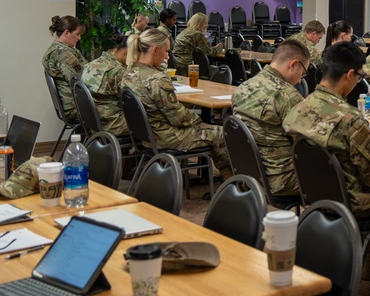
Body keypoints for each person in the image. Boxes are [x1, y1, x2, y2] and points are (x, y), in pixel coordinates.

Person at [283, 42, 370, 220]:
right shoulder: (351, 120)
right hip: (350, 202)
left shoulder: (297, 108)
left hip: (312, 194)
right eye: (358, 76)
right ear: (350, 74)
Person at [122, 28, 231, 178]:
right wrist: (196, 119)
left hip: (145, 135)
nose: (167, 56)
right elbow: (177, 117)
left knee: (208, 129)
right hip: (165, 137)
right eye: (166, 51)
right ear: (155, 50)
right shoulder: (157, 79)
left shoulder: (128, 73)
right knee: (220, 133)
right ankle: (233, 184)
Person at [231, 39, 309, 196]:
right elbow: (307, 145)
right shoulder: (287, 95)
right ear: (293, 65)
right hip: (281, 179)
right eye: (303, 72)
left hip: (249, 174)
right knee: (342, 179)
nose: (301, 79)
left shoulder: (243, 87)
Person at [81, 32, 130, 137]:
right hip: (113, 124)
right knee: (154, 121)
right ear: (127, 52)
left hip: (94, 122)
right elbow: (131, 103)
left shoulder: (91, 64)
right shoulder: (118, 71)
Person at [42, 15, 87, 122]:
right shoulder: (64, 54)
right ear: (66, 33)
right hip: (76, 106)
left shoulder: (58, 50)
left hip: (73, 103)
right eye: (77, 34)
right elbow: (80, 81)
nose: (79, 38)